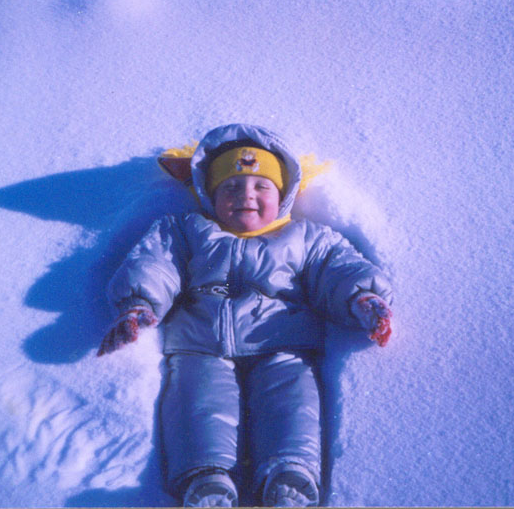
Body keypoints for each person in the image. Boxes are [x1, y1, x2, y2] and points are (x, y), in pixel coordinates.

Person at [97, 123, 393, 507]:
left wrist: (364, 298)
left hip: (282, 344)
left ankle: (289, 475)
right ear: (209, 194)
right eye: (231, 187)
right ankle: (207, 480)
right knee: (200, 403)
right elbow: (155, 264)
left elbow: (338, 270)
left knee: (291, 402)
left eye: (261, 186)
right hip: (200, 346)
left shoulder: (305, 238)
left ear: (283, 194)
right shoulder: (187, 230)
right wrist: (139, 303)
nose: (246, 195)